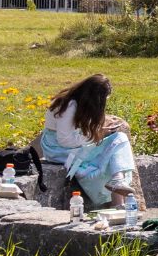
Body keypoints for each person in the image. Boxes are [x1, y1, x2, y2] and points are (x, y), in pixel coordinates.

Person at [38, 74, 138, 209]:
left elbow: (77, 131)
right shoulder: (69, 105)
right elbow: (65, 140)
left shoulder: (78, 104)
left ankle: (117, 183)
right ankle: (118, 200)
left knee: (118, 140)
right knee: (111, 151)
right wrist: (96, 135)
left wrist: (100, 129)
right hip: (58, 149)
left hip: (73, 145)